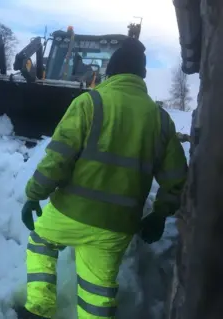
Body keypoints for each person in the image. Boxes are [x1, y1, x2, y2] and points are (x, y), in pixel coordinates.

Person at [16, 37, 188, 319]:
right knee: (97, 291)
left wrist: (34, 194)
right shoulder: (160, 119)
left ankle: (39, 309)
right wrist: (159, 214)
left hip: (71, 213)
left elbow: (57, 158)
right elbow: (176, 178)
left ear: (111, 72)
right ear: (142, 75)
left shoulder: (90, 103)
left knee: (41, 242)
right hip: (118, 225)